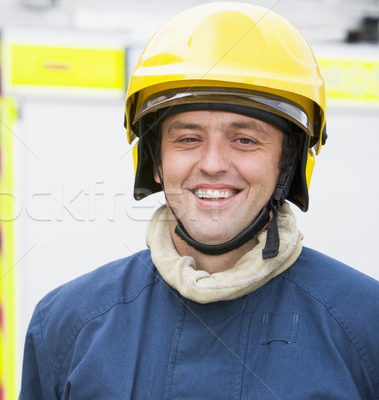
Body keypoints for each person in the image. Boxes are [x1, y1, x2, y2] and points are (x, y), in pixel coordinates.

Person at [19, 3, 379, 399]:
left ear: (287, 164)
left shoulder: (366, 324)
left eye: (244, 139)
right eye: (188, 138)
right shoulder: (66, 325)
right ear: (155, 161)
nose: (212, 165)